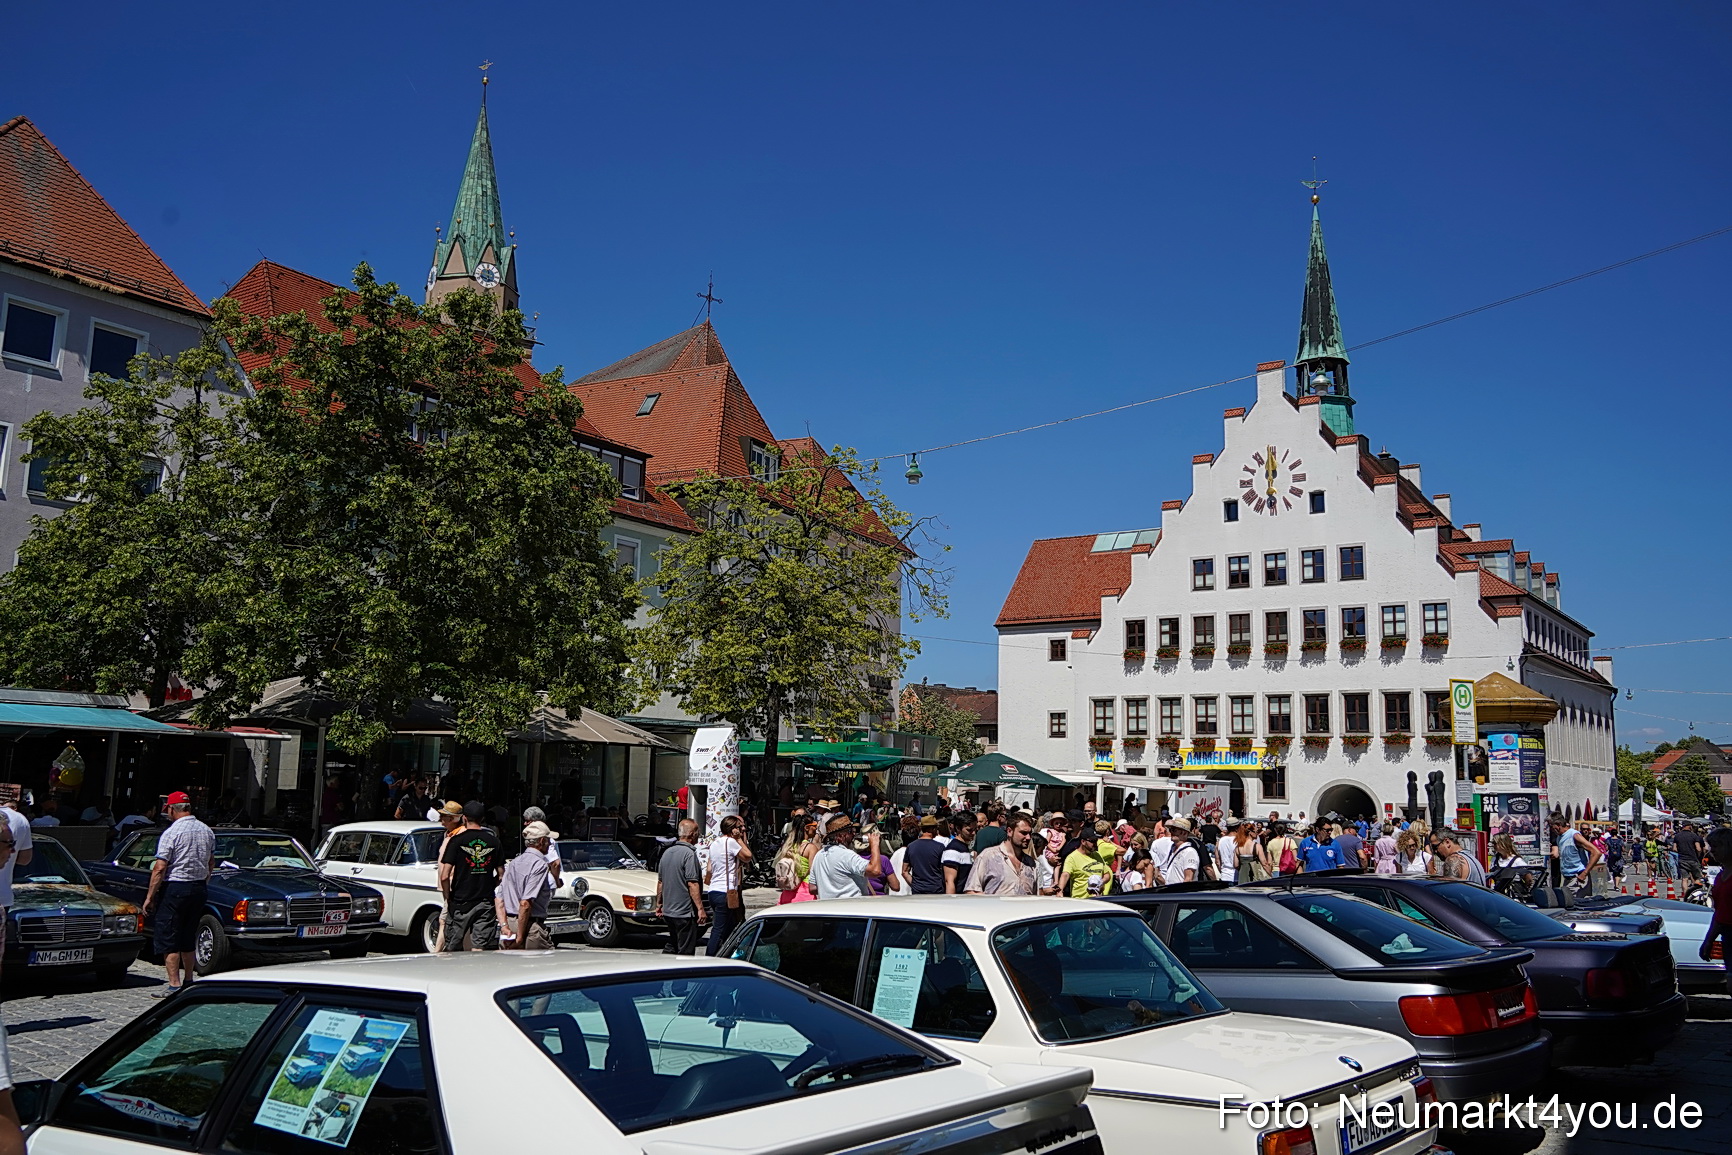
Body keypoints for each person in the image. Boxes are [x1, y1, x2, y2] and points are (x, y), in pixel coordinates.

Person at [141, 791, 214, 997]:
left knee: (169, 936)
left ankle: (174, 984)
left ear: (172, 809)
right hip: (198, 887)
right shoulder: (206, 830)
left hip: (175, 887)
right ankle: (189, 979)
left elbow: (160, 867)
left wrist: (150, 897)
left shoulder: (171, 833)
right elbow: (211, 862)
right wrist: (204, 882)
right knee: (188, 935)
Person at [439, 801, 504, 951]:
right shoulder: (494, 841)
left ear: (464, 818)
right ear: (482, 819)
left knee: (453, 946)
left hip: (460, 901)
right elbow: (501, 875)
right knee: (479, 947)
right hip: (485, 901)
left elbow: (444, 876)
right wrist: (489, 885)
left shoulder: (456, 840)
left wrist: (448, 897)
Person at [500, 821, 556, 950]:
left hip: (510, 925)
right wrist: (520, 937)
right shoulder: (539, 865)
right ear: (542, 841)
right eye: (548, 840)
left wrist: (504, 926)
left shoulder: (514, 863)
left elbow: (499, 899)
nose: (550, 844)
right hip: (530, 927)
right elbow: (525, 903)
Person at [703, 815, 752, 955]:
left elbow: (709, 869)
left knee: (730, 927)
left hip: (714, 891)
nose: (742, 829)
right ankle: (709, 958)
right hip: (725, 892)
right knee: (718, 930)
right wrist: (739, 839)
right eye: (739, 827)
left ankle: (725, 955)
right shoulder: (731, 842)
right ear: (733, 829)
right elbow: (748, 856)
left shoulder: (715, 843)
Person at [656, 818, 706, 954]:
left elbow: (660, 882)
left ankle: (664, 964)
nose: (698, 835)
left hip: (669, 911)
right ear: (692, 834)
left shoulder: (667, 853)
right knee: (685, 949)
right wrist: (700, 908)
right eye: (697, 832)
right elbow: (692, 883)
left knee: (673, 944)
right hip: (684, 912)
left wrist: (659, 904)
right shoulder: (689, 854)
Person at [810, 813, 885, 898]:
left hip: (827, 905)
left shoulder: (819, 855)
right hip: (851, 905)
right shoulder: (846, 855)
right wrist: (874, 845)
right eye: (851, 831)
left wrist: (831, 889)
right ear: (841, 836)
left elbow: (812, 888)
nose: (854, 834)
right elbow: (875, 871)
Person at [1697, 827, 1732, 995]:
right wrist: (1709, 940)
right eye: (1711, 846)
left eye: (1717, 846)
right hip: (1727, 936)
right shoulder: (1720, 877)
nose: (1713, 851)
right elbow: (1719, 913)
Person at [966, 815, 1037, 895]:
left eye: (1030, 833)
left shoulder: (1031, 864)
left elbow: (1036, 897)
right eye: (1024, 833)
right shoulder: (988, 856)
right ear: (1009, 831)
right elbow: (972, 891)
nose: (1028, 837)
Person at [1549, 812, 1602, 890]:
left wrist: (1584, 873)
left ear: (1558, 825)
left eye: (1551, 826)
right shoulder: (1559, 838)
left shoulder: (1573, 835)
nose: (1551, 829)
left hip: (1577, 877)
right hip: (1567, 878)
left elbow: (1596, 852)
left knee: (1572, 898)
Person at [774, 816, 821, 903]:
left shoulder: (788, 846)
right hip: (805, 892)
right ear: (807, 828)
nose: (816, 829)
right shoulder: (810, 848)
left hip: (788, 891)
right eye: (814, 826)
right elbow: (813, 873)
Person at [1059, 829, 1115, 897]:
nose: (1095, 844)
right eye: (1092, 841)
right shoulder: (1072, 857)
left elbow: (1107, 874)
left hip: (1098, 899)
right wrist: (1060, 891)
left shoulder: (1097, 855)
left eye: (1096, 840)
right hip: (1081, 900)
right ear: (1083, 841)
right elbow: (1065, 874)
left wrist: (1101, 882)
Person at [903, 815, 948, 895]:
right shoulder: (940, 847)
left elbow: (904, 872)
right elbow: (945, 871)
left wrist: (915, 885)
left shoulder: (911, 846)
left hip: (917, 892)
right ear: (932, 829)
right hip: (936, 891)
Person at [1156, 817, 1201, 885]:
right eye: (1170, 830)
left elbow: (1188, 879)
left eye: (1174, 830)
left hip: (1181, 891)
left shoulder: (1189, 852)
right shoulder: (1173, 850)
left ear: (1184, 833)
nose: (1171, 832)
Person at [943, 812, 978, 894]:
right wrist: (952, 900)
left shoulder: (964, 847)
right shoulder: (953, 850)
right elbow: (949, 881)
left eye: (975, 830)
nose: (973, 833)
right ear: (958, 828)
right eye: (969, 830)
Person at [1214, 819, 1240, 884]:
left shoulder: (1220, 841)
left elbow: (1217, 861)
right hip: (1237, 876)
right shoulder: (1240, 841)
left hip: (1224, 875)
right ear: (1237, 828)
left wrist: (1222, 871)